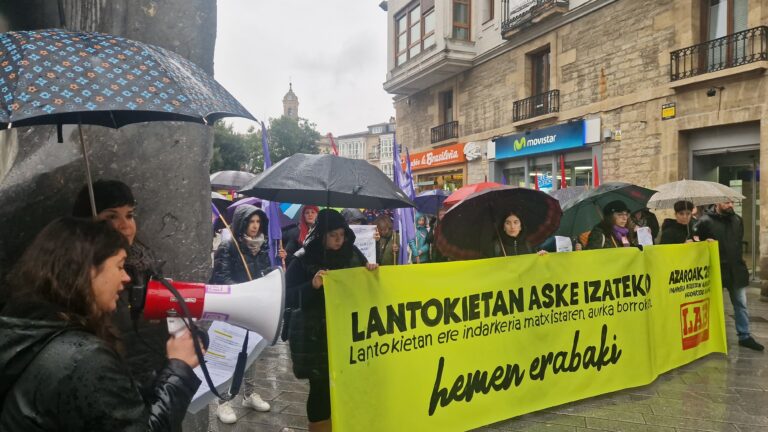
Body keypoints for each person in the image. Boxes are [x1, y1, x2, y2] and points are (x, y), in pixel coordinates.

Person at [0, 218, 201, 431]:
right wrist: (180, 367)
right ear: (85, 269)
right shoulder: (82, 357)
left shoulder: (29, 324)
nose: (126, 278)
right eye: (120, 266)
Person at [286, 209, 378, 432]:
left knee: (348, 384)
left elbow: (365, 287)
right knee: (321, 388)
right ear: (321, 235)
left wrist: (370, 271)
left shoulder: (353, 253)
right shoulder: (302, 259)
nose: (340, 240)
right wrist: (312, 286)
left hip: (348, 332)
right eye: (333, 235)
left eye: (342, 234)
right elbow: (287, 296)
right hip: (315, 337)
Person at [72, 180, 168, 392]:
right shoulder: (81, 279)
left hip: (155, 381)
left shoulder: (146, 265)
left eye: (130, 215)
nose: (126, 225)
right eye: (111, 216)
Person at [210, 204, 286, 423]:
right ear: (242, 223)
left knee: (252, 352)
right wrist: (245, 294)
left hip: (254, 308)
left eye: (258, 222)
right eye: (251, 222)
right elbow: (221, 277)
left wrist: (274, 272)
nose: (255, 226)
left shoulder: (261, 246)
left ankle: (248, 394)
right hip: (234, 308)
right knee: (230, 355)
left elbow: (264, 274)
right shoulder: (228, 246)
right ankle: (223, 401)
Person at [694, 201, 764, 351]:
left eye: (732, 202)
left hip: (735, 269)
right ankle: (710, 337)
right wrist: (703, 243)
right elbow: (693, 242)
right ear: (718, 202)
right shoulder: (704, 221)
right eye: (727, 202)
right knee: (711, 306)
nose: (730, 204)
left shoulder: (737, 220)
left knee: (741, 304)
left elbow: (737, 243)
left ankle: (744, 336)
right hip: (715, 270)